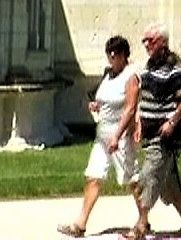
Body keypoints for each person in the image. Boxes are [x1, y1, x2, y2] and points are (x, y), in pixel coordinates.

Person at [59, 35, 139, 237]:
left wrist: (118, 136)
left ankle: (143, 221)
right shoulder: (108, 75)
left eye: (116, 53)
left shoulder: (131, 76)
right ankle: (80, 224)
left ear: (124, 55)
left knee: (132, 180)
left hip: (119, 137)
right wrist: (96, 105)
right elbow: (103, 99)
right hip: (102, 135)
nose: (112, 57)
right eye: (110, 53)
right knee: (93, 176)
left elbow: (130, 108)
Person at [126, 24, 181, 240]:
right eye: (145, 41)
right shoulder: (149, 66)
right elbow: (145, 96)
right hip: (149, 134)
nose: (147, 44)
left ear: (163, 42)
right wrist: (139, 120)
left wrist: (172, 121)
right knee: (170, 187)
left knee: (148, 177)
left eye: (151, 40)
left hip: (165, 137)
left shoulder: (174, 67)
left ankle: (141, 226)